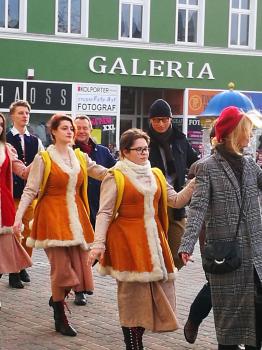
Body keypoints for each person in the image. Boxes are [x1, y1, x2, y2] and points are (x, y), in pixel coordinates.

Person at [87, 128, 195, 350]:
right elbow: (105, 212)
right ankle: (133, 345)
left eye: (146, 148)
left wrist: (196, 182)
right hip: (127, 241)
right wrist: (98, 244)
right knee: (132, 296)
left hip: (154, 240)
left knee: (158, 292)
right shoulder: (115, 176)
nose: (145, 153)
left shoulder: (155, 173)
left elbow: (175, 200)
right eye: (139, 150)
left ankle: (137, 338)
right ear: (125, 152)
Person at [13, 114, 107, 337]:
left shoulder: (80, 157)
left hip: (76, 218)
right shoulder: (43, 159)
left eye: (71, 128)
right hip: (52, 218)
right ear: (53, 132)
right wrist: (18, 218)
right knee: (62, 269)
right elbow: (30, 190)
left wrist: (126, 171)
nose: (70, 131)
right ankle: (60, 315)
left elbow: (101, 172)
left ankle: (57, 301)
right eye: (64, 128)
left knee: (80, 266)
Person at [179, 106, 262, 349]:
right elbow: (198, 208)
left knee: (256, 326)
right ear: (235, 133)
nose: (250, 135)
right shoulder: (208, 167)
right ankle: (196, 318)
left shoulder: (249, 165)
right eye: (247, 131)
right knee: (229, 329)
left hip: (255, 255)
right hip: (226, 254)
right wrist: (187, 244)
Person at [147, 99, 199, 270]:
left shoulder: (180, 140)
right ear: (150, 121)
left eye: (164, 119)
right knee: (153, 250)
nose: (160, 124)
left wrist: (191, 185)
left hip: (177, 201)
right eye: (156, 120)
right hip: (152, 201)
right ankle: (158, 282)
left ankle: (168, 275)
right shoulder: (143, 141)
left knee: (178, 250)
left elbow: (194, 164)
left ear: (170, 119)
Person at [73, 115, 116, 306]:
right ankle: (78, 289)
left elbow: (116, 173)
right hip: (79, 208)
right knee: (82, 249)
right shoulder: (70, 152)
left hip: (100, 207)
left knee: (97, 249)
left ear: (90, 129)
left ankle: (82, 279)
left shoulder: (103, 152)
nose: (82, 131)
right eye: (78, 128)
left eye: (85, 127)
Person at [6, 100, 44, 287]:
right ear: (12, 116)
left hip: (30, 194)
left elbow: (43, 164)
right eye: (20, 113)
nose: (24, 116)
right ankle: (13, 271)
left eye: (27, 113)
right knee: (14, 232)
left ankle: (22, 266)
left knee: (28, 231)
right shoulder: (5, 138)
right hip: (11, 194)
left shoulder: (35, 140)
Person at [0, 113, 32, 292]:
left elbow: (22, 171)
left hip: (3, 205)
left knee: (5, 250)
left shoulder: (6, 148)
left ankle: (15, 274)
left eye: (0, 125)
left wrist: (40, 162)